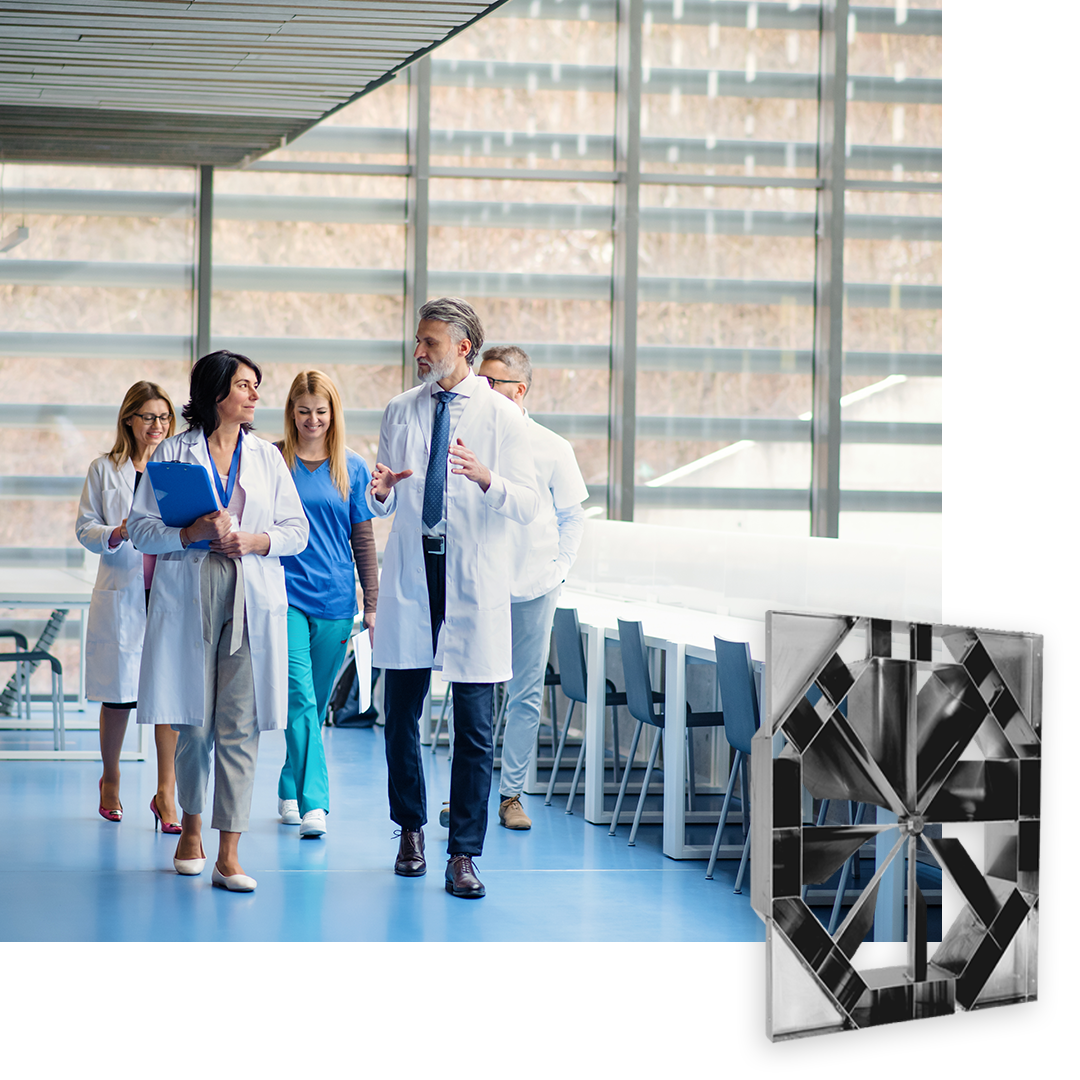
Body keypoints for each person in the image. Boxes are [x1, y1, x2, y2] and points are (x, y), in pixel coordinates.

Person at [366, 297, 540, 898]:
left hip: (473, 582)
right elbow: (383, 500)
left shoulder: (503, 418)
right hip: (415, 577)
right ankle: (411, 829)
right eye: (418, 342)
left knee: (474, 729)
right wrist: (381, 490)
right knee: (399, 720)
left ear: (463, 347)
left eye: (430, 343)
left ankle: (463, 853)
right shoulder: (400, 410)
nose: (419, 352)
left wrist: (487, 478)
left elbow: (529, 504)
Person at [127, 350, 308, 892]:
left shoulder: (268, 459)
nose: (255, 395)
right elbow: (140, 529)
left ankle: (229, 853)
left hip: (249, 588)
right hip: (192, 583)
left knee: (239, 723)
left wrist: (256, 540)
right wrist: (189, 535)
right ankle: (192, 829)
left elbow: (295, 530)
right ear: (215, 394)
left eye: (256, 385)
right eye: (245, 386)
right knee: (194, 722)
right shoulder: (174, 455)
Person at [476, 346, 588, 829]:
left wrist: (559, 569)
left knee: (524, 693)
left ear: (518, 390)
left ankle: (511, 796)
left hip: (534, 585)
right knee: (475, 691)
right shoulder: (472, 439)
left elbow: (572, 514)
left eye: (492, 383)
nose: (481, 391)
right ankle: (469, 791)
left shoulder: (552, 447)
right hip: (482, 582)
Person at [274, 370, 379, 838]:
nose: (312, 420)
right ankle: (316, 802)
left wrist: (371, 602)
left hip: (336, 601)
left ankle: (288, 785)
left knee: (311, 707)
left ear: (333, 413)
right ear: (291, 413)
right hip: (284, 596)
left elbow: (363, 538)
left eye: (321, 411)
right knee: (298, 695)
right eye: (303, 411)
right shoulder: (274, 460)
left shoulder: (351, 467)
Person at [75, 381, 180, 829]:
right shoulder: (105, 469)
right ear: (129, 420)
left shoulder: (179, 468)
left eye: (163, 417)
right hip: (123, 589)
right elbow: (84, 528)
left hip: (169, 590)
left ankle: (166, 793)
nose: (157, 425)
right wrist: (112, 534)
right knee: (120, 697)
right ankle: (112, 779)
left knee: (167, 696)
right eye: (148, 417)